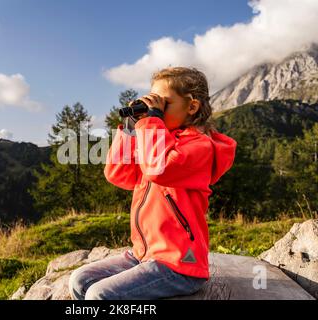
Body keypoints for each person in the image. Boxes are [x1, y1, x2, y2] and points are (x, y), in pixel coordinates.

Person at [69, 66, 238, 300]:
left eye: (163, 103)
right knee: (80, 281)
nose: (153, 109)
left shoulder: (200, 147)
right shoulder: (156, 139)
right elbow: (118, 175)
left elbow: (159, 170)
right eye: (153, 102)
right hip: (145, 254)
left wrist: (152, 122)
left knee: (100, 294)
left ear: (192, 106)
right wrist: (130, 127)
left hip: (179, 264)